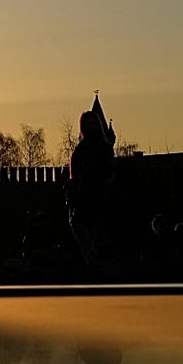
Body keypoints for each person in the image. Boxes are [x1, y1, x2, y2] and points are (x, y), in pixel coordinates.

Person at [67, 109, 114, 273]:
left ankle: (93, 262)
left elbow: (108, 171)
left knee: (85, 227)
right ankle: (93, 262)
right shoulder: (83, 149)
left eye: (92, 123)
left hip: (94, 194)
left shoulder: (94, 149)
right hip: (86, 195)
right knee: (85, 227)